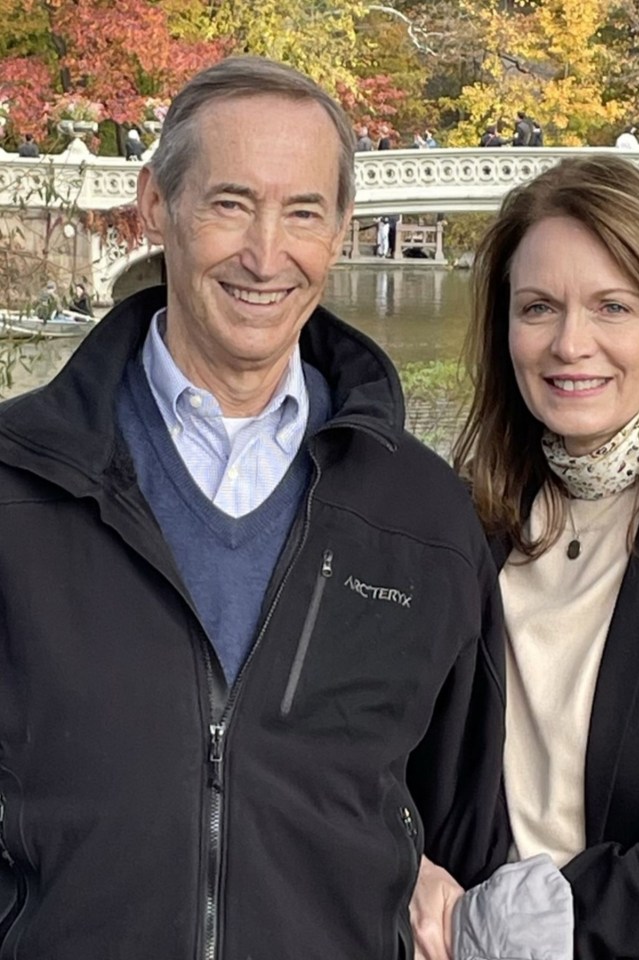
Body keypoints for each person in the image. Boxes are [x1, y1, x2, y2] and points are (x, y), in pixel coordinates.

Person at [0, 55, 510, 960]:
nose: (267, 254)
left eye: (304, 212)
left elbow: (459, 828)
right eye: (231, 203)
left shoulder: (425, 520)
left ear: (344, 227)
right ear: (156, 204)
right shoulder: (15, 485)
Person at [414, 155, 639, 960]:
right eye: (539, 307)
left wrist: (491, 931)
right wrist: (407, 869)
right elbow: (377, 760)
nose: (571, 344)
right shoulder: (457, 527)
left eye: (614, 306)